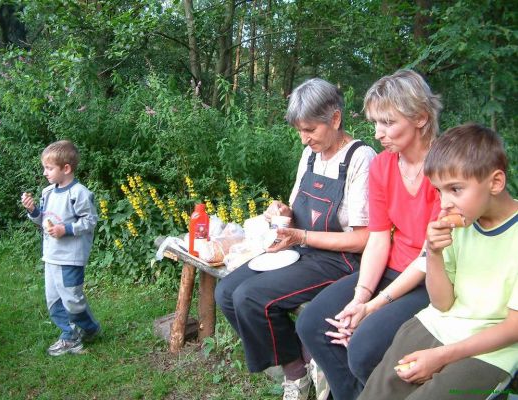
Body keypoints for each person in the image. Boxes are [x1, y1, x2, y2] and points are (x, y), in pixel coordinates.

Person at [214, 78, 376, 400]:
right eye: (300, 131)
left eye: (310, 130)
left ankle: (298, 375)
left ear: (335, 119)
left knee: (250, 297)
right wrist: (281, 210)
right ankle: (295, 365)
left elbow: (363, 240)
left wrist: (300, 235)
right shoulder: (311, 156)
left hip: (340, 260)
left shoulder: (361, 158)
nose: (304, 139)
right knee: (227, 292)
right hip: (300, 248)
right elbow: (297, 208)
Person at [296, 69, 442, 400]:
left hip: (431, 279)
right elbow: (378, 237)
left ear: (420, 118)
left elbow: (428, 257)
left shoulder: (446, 166)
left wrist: (371, 307)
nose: (378, 134)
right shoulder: (383, 166)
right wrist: (361, 297)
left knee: (362, 349)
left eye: (387, 123)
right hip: (390, 268)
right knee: (313, 324)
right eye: (375, 123)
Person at [359, 123, 518, 400]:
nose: (444, 203)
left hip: (491, 351)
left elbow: (513, 328)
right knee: (377, 392)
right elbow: (442, 303)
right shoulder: (458, 225)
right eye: (439, 191)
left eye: (455, 189)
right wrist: (432, 253)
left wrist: (441, 356)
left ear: (495, 182)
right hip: (437, 324)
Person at [21, 140, 101, 356]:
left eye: (49, 168)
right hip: (51, 257)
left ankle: (88, 328)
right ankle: (70, 336)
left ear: (66, 168)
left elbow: (90, 221)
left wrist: (65, 229)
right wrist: (33, 211)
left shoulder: (79, 193)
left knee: (73, 301)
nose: (45, 172)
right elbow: (45, 222)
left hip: (70, 258)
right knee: (54, 301)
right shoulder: (48, 192)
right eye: (44, 168)